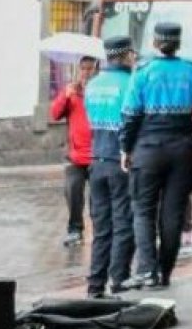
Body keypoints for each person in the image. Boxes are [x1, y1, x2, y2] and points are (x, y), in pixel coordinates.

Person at [120, 22, 192, 290]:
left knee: (143, 211)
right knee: (173, 213)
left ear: (155, 42)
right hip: (182, 150)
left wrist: (126, 148)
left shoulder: (143, 71)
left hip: (148, 149)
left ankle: (147, 271)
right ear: (177, 43)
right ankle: (165, 272)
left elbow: (130, 115)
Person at [83, 36, 137, 299]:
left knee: (101, 228)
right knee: (124, 223)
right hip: (121, 161)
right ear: (126, 55)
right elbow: (134, 120)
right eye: (132, 54)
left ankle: (95, 285)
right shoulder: (131, 83)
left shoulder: (93, 85)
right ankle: (119, 280)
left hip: (97, 161)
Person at [50, 55, 96, 247]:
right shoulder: (70, 91)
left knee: (98, 197)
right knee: (72, 190)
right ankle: (75, 230)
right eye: (83, 68)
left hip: (97, 155)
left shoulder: (101, 91)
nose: (86, 72)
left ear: (96, 70)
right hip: (76, 156)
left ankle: (100, 230)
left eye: (90, 68)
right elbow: (54, 114)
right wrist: (65, 96)